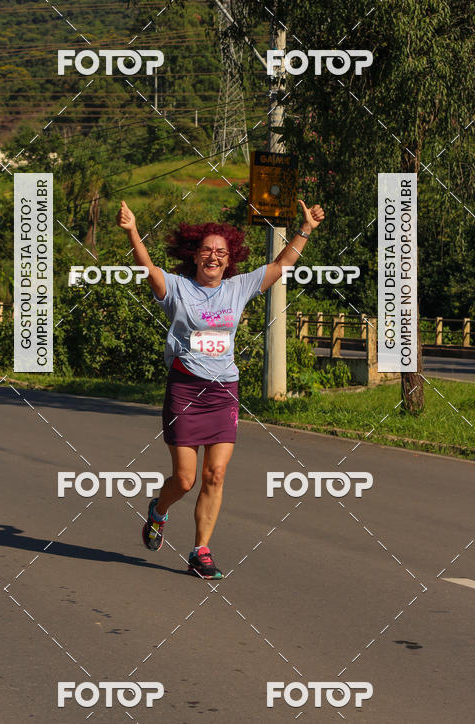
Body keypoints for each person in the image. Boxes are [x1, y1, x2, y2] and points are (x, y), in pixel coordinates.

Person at [117, 199, 325, 579]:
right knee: (185, 478)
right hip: (185, 389)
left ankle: (200, 551)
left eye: (221, 252)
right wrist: (132, 230)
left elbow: (281, 266)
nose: (213, 256)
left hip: (223, 390)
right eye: (207, 251)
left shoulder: (238, 287)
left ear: (229, 260)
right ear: (195, 256)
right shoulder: (177, 288)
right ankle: (158, 512)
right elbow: (146, 268)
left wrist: (305, 228)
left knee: (215, 475)